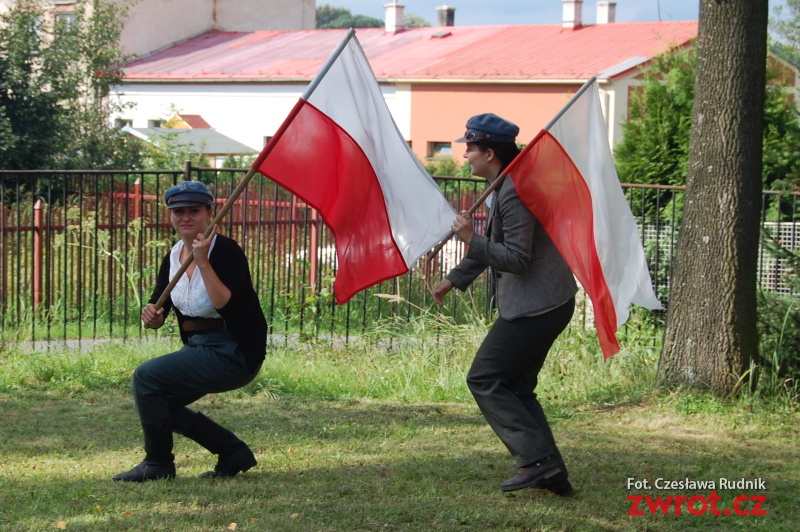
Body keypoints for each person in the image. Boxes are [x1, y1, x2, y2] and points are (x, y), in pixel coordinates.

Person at [432, 113, 578, 496]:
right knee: (517, 387)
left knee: (484, 378)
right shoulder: (506, 183)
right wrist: (454, 279)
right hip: (548, 302)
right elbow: (496, 246)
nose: (465, 156)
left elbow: (516, 257)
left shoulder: (513, 190)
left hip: (537, 306)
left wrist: (469, 238)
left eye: (470, 148)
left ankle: (535, 462)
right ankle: (552, 473)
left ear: (490, 153)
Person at [113, 181, 267, 482]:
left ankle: (158, 463)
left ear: (209, 213)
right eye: (178, 211)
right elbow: (160, 308)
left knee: (146, 377)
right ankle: (232, 451)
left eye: (193, 211)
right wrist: (152, 316)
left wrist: (203, 262)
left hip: (233, 351)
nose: (185, 217)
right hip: (198, 347)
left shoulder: (226, 252)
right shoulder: (172, 256)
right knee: (158, 402)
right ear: (170, 216)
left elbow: (228, 305)